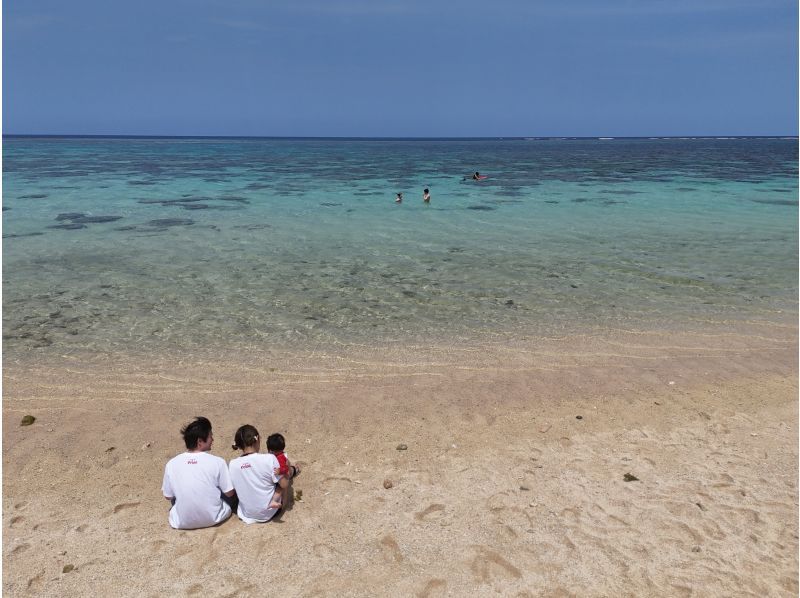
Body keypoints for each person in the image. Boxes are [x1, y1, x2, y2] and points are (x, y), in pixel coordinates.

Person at [162, 416, 236, 530]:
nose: (213, 440)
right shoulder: (218, 462)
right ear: (200, 442)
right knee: (229, 489)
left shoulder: (171, 463)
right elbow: (230, 493)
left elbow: (168, 496)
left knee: (176, 495)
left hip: (182, 522)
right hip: (214, 517)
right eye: (211, 436)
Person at [229, 425, 299, 523]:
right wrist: (287, 472)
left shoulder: (232, 464)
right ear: (257, 439)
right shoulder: (269, 459)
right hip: (271, 512)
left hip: (246, 513)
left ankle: (293, 469)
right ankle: (294, 469)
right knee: (284, 472)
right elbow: (284, 485)